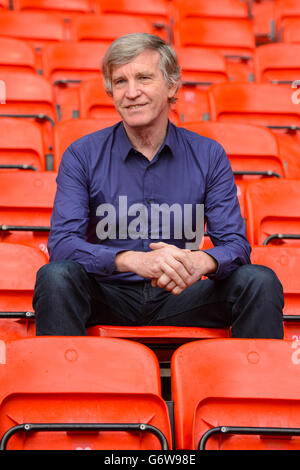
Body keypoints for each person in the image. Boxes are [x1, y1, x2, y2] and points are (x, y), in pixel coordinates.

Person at [33, 33, 284, 338]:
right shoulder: (82, 154)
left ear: (172, 85)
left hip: (183, 297)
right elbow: (62, 244)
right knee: (56, 276)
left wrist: (199, 261)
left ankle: (255, 385)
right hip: (106, 294)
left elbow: (236, 245)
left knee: (259, 280)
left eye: (143, 78)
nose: (131, 92)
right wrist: (134, 261)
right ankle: (63, 384)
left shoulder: (208, 155)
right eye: (120, 81)